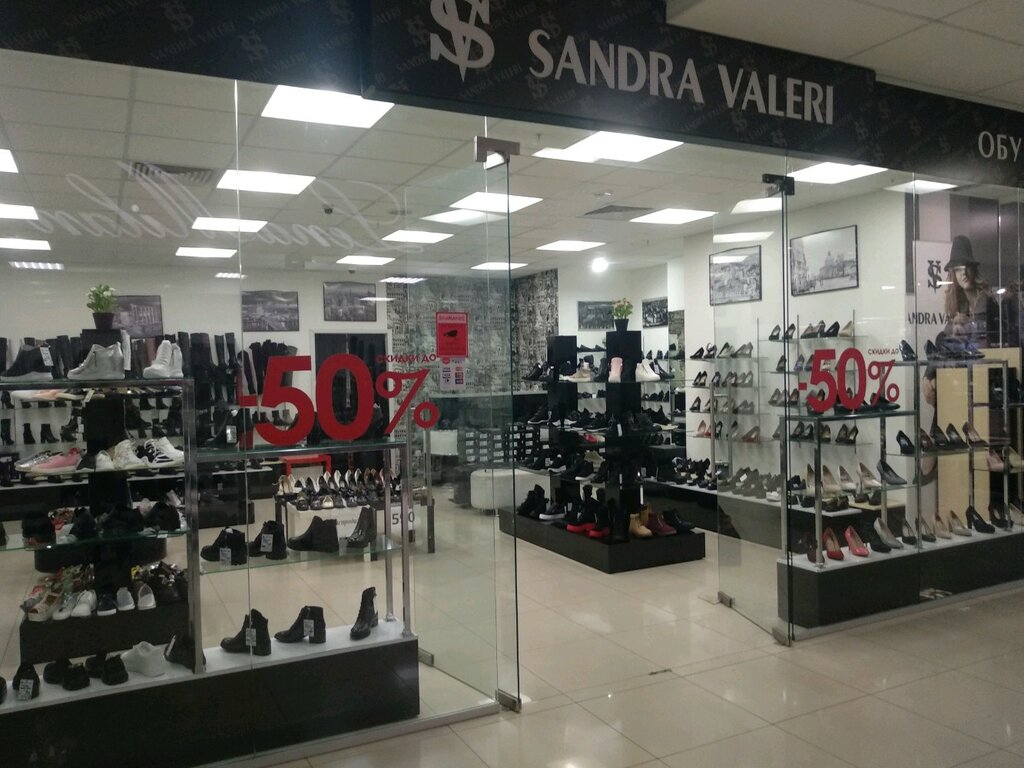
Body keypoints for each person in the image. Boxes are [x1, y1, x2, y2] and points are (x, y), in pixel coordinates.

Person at [941, 235, 1001, 347]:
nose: (963, 273)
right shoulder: (958, 302)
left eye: (967, 267)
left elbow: (982, 341)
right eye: (958, 269)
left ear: (973, 269)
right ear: (954, 274)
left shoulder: (985, 300)